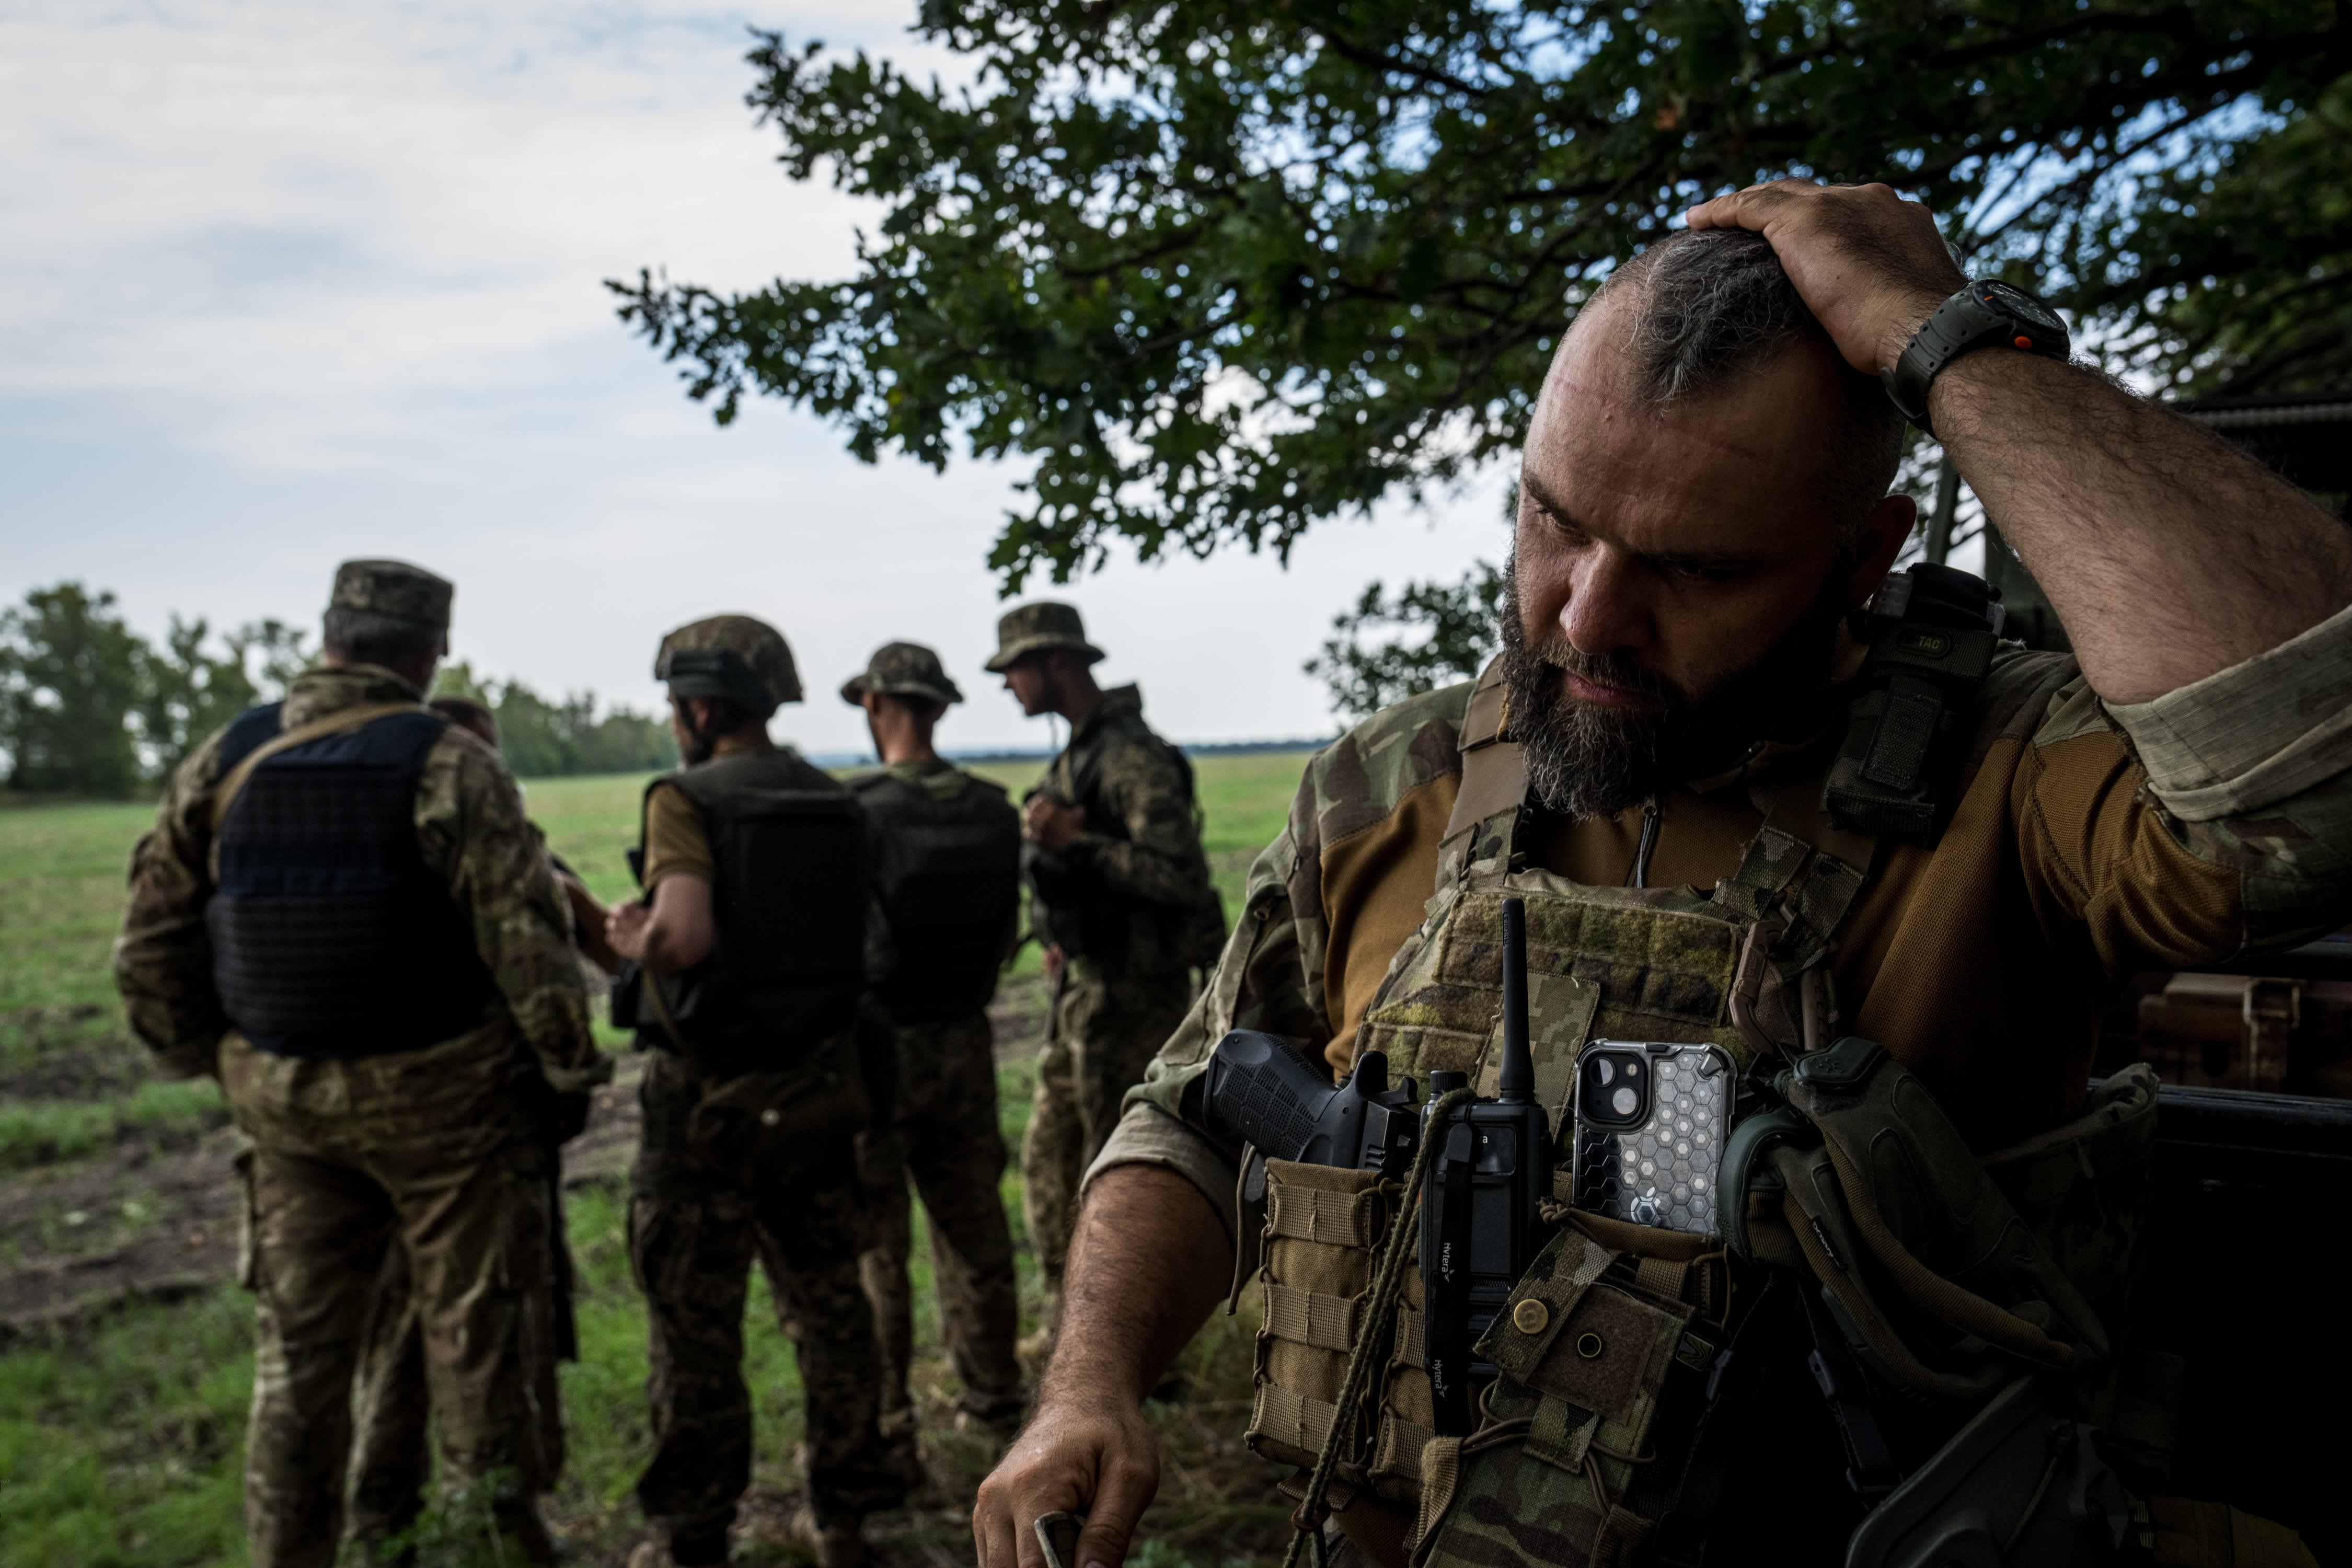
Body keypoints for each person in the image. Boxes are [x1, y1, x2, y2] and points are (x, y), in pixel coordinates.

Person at [973, 182, 2352, 1568]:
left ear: (1863, 560)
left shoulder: (2018, 779)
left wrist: (1943, 340)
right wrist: (1088, 1386)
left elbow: (2316, 787)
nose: (1585, 617)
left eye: (1692, 570)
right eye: (1553, 519)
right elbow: (1193, 1109)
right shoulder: (1392, 781)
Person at [113, 559, 607, 1568]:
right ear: (428, 654)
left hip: (285, 1112)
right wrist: (565, 1079)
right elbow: (529, 948)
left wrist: (226, 1062)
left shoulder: (224, 758)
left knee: (297, 1369)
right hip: (448, 1118)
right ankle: (485, 1547)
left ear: (331, 636)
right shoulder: (449, 762)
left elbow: (150, 946)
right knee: (475, 1366)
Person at [609, 615, 904, 1568]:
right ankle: (846, 1513)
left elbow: (683, 940)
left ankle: (695, 1534)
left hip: (706, 1106)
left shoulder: (682, 799)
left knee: (696, 1323)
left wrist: (630, 940)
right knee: (831, 1309)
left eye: (673, 706)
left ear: (701, 705)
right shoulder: (834, 798)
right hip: (818, 1096)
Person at [343, 692, 618, 1562]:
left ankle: (390, 1519)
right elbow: (578, 968)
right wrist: (572, 1079)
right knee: (490, 1334)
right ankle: (495, 1518)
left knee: (401, 1336)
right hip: (477, 1138)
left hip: (376, 1136)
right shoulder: (499, 855)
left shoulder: (384, 856)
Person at [984, 602, 1222, 1344]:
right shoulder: (1077, 755)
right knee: (1052, 1165)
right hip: (1087, 993)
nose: (1007, 685)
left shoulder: (1128, 756)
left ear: (1057, 663)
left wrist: (1080, 847)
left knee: (1112, 1185)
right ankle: (1076, 1338)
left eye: (1014, 668)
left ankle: (1128, 1350)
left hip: (1133, 999)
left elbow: (1179, 877)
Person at [840, 641, 1028, 1458]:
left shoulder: (858, 810)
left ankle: (890, 1425)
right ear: (940, 708)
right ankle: (993, 1405)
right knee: (976, 1235)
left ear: (876, 706)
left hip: (878, 1052)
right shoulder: (994, 809)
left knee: (880, 1247)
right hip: (965, 1040)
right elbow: (1002, 933)